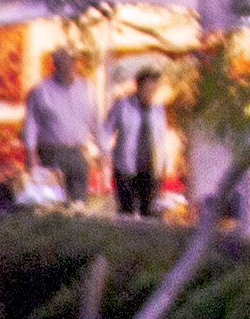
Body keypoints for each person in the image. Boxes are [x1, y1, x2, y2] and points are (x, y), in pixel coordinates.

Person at [23, 47, 96, 204]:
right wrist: (30, 153)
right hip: (52, 153)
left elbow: (95, 119)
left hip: (78, 152)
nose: (70, 66)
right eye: (65, 62)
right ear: (55, 64)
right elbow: (31, 123)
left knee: (79, 203)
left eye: (73, 62)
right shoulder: (42, 90)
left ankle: (77, 216)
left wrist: (103, 150)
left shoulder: (86, 88)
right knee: (54, 201)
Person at [106, 66, 164, 217]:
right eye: (147, 88)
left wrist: (163, 164)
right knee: (126, 212)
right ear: (138, 86)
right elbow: (106, 131)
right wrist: (105, 155)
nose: (150, 92)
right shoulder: (122, 106)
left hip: (149, 168)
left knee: (148, 213)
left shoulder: (158, 110)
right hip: (126, 168)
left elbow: (160, 139)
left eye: (154, 89)